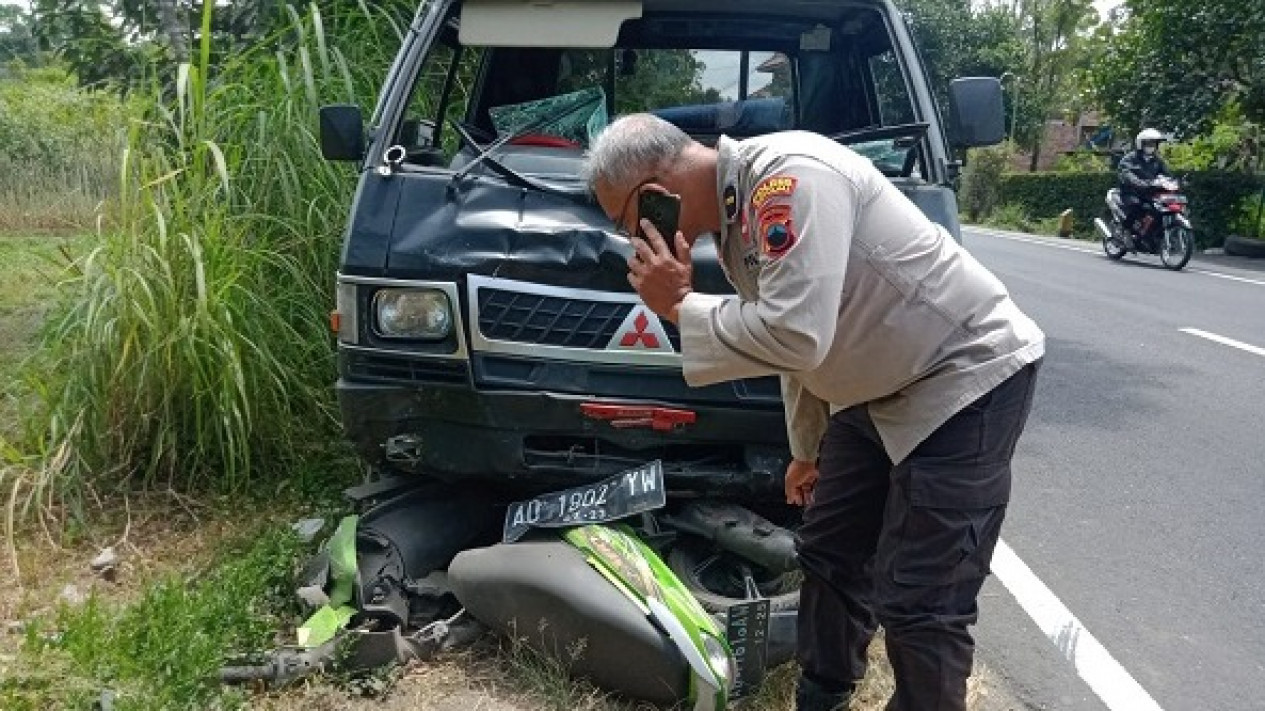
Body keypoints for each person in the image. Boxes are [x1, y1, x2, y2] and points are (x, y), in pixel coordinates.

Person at [584, 114, 1045, 711]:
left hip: (961, 372)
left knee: (921, 595)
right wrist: (808, 449)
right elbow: (791, 345)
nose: (634, 238)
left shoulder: (786, 182)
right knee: (829, 551)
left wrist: (680, 307)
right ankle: (822, 697)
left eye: (627, 221)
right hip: (878, 382)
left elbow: (796, 335)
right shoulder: (735, 218)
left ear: (654, 194)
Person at [1117, 128, 1172, 233]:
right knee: (1136, 206)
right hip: (1131, 192)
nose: (1151, 146)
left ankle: (1152, 234)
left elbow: (1167, 175)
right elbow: (1126, 173)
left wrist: (1175, 182)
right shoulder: (1130, 158)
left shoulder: (1158, 160)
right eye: (1149, 143)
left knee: (1161, 208)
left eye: (1154, 143)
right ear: (1140, 144)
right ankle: (1125, 231)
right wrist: (1138, 182)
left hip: (1150, 193)